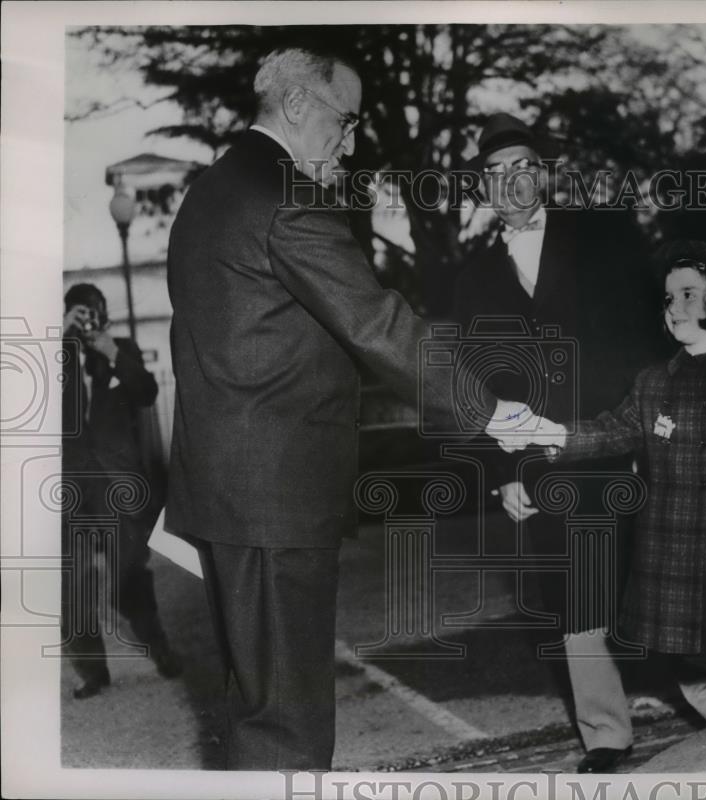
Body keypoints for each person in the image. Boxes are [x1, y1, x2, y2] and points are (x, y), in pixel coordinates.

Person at [166, 48, 528, 771]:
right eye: (347, 120)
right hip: (274, 498)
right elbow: (379, 325)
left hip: (234, 494)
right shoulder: (285, 202)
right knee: (288, 725)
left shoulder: (214, 190)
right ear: (299, 106)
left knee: (262, 704)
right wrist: (490, 412)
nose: (352, 142)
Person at [452, 113, 706, 773]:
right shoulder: (470, 278)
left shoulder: (604, 235)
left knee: (659, 583)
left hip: (627, 439)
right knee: (578, 595)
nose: (510, 181)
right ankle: (605, 733)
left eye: (522, 165)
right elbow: (473, 386)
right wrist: (502, 473)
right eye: (496, 172)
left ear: (542, 173)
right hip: (543, 461)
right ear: (482, 186)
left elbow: (651, 335)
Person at [538, 241, 706, 773]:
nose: (675, 308)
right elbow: (611, 430)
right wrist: (550, 435)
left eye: (689, 295)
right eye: (668, 298)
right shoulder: (654, 382)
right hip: (673, 542)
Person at [61, 283, 181, 699]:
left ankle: (161, 649)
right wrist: (61, 339)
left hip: (116, 487)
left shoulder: (120, 349)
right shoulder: (54, 356)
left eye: (95, 311)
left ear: (106, 314)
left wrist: (111, 351)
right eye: (80, 313)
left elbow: (147, 393)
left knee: (131, 577)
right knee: (70, 585)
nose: (89, 320)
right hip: (69, 489)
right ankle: (92, 672)